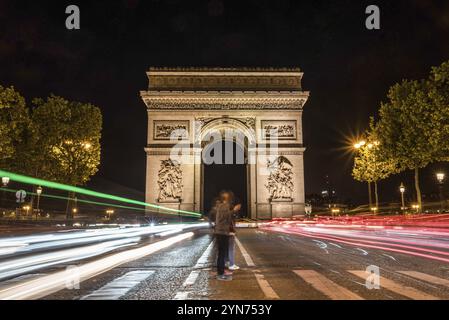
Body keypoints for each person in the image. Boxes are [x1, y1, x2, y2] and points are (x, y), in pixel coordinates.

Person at [214, 191, 240, 281]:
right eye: (230, 198)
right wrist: (234, 210)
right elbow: (225, 217)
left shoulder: (221, 206)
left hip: (221, 231)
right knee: (222, 254)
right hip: (222, 232)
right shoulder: (224, 206)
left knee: (223, 253)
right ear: (227, 198)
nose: (231, 199)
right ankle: (220, 274)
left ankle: (223, 270)